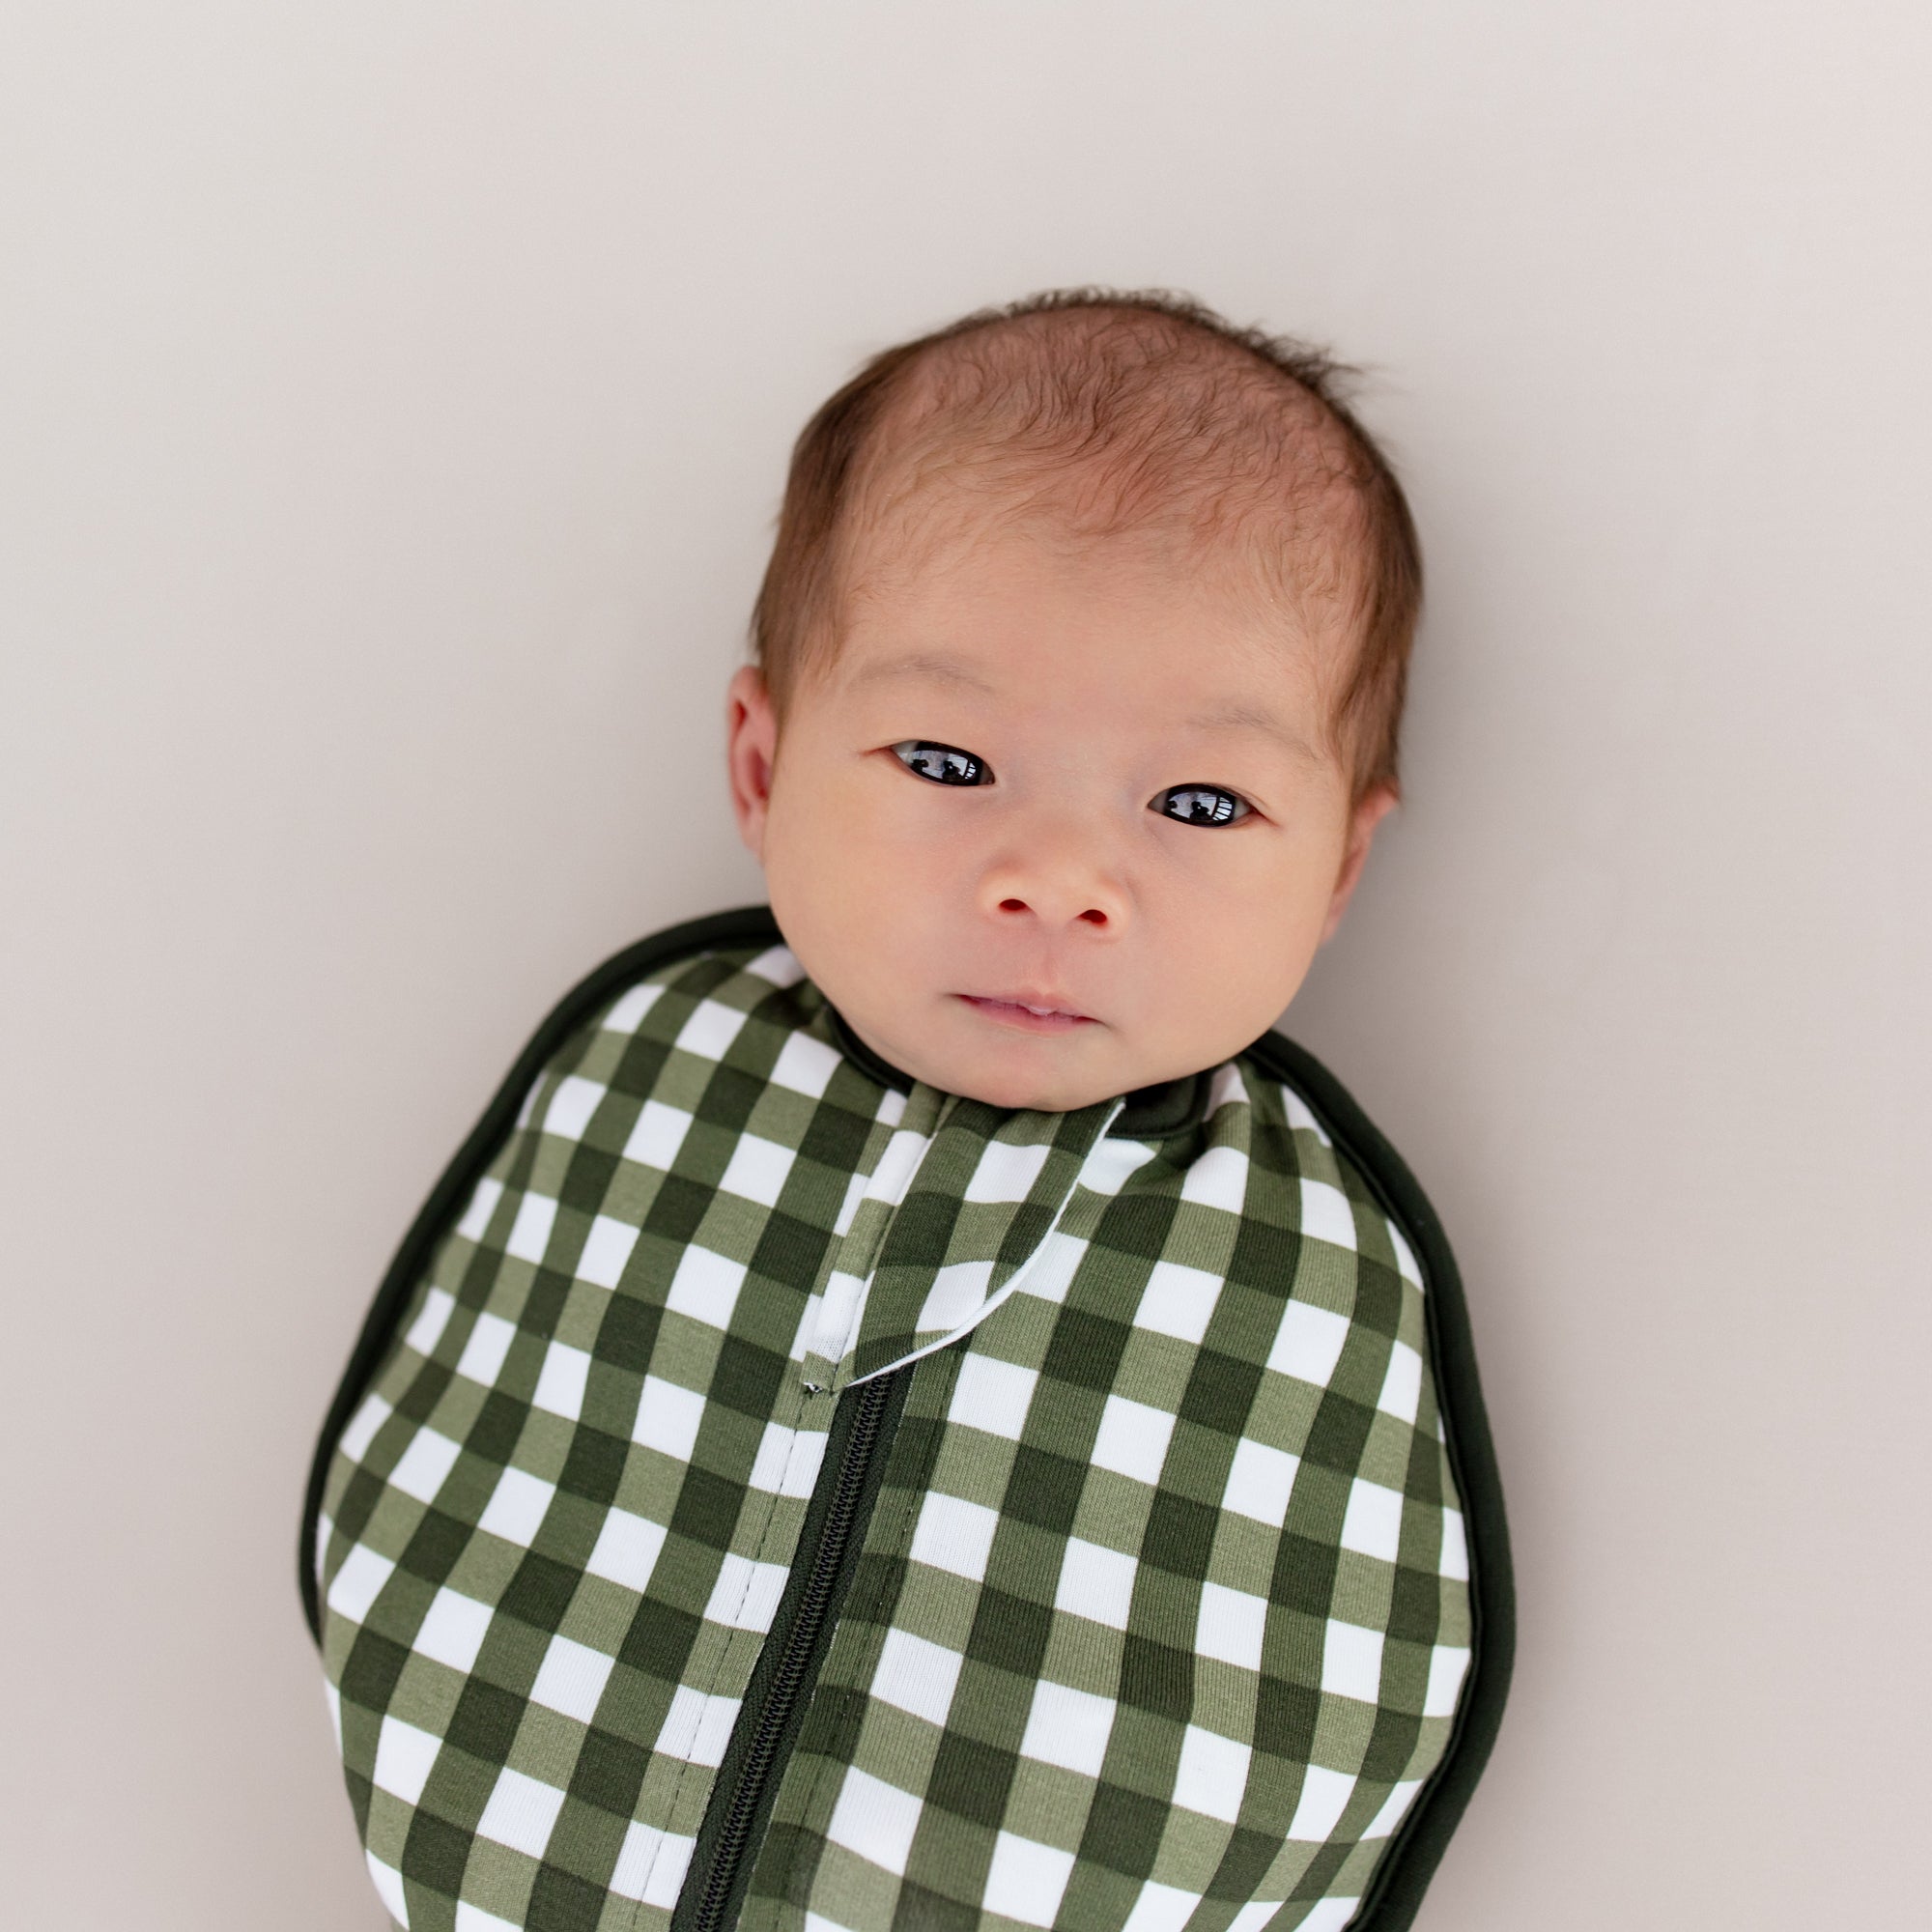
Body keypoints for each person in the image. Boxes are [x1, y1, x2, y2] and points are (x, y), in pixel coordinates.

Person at [301, 289, 1513, 1932]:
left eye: (1205, 803)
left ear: (1340, 869)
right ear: (761, 767)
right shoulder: (662, 1065)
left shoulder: (1309, 1249)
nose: (1062, 881)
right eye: (947, 763)